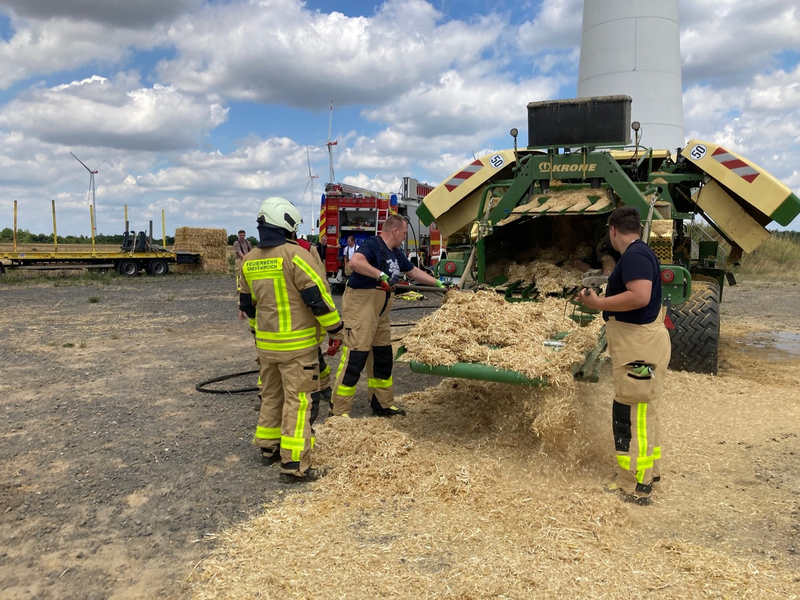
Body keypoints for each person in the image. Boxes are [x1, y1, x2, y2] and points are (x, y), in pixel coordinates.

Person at [238, 197, 344, 483]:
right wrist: (336, 331)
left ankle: (268, 447)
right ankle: (294, 463)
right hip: (297, 348)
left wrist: (256, 334)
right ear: (287, 224)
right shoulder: (296, 255)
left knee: (271, 396)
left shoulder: (248, 261)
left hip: (266, 347)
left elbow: (248, 307)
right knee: (298, 403)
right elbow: (318, 299)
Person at [576, 206, 671, 506]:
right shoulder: (641, 253)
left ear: (613, 230)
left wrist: (599, 303)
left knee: (630, 414)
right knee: (646, 411)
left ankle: (633, 484)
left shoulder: (634, 256)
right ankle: (649, 474)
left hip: (638, 347)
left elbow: (640, 295)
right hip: (642, 343)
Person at [330, 214, 444, 418]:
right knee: (355, 358)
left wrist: (437, 284)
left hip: (381, 310)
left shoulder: (396, 252)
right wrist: (379, 275)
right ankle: (339, 411)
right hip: (362, 307)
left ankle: (382, 404)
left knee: (382, 358)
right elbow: (356, 262)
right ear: (394, 231)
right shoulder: (373, 244)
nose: (404, 237)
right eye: (404, 233)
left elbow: (414, 272)